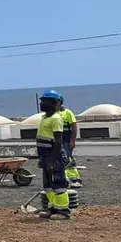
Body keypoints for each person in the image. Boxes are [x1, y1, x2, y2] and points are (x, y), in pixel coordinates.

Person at [36, 90, 71, 219]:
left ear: (55, 103)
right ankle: (53, 208)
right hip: (45, 156)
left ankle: (63, 211)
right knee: (48, 185)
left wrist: (53, 160)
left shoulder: (56, 119)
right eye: (42, 101)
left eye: (45, 101)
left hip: (53, 156)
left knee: (58, 183)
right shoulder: (44, 118)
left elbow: (58, 141)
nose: (42, 104)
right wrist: (42, 158)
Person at [57, 96, 82, 189]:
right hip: (57, 141)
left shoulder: (67, 113)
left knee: (68, 160)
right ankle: (65, 179)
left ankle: (74, 179)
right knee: (61, 161)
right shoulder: (53, 113)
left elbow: (74, 127)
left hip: (66, 141)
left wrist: (72, 140)